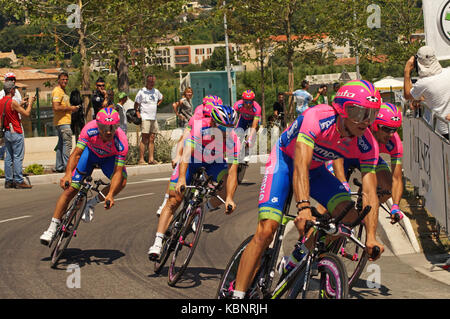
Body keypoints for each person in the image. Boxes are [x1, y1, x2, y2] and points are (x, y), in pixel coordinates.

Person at [231, 80, 384, 299]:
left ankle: (297, 257)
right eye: (359, 113)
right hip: (285, 161)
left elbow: (369, 190)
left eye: (372, 114)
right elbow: (300, 165)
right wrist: (303, 206)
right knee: (267, 229)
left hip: (316, 169)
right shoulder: (318, 117)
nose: (366, 122)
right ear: (342, 108)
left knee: (349, 217)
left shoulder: (367, 143)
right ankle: (237, 296)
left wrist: (371, 236)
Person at [148, 103, 240, 260]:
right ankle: (157, 241)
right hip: (191, 160)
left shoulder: (232, 139)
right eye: (224, 128)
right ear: (212, 122)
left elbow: (233, 172)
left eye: (231, 128)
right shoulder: (199, 127)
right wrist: (182, 178)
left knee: (225, 188)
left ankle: (200, 209)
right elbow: (186, 154)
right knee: (175, 199)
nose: (228, 132)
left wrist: (229, 197)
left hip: (214, 162)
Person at [40, 107, 128, 245]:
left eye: (112, 127)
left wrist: (110, 194)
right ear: (98, 126)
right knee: (71, 189)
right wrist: (68, 174)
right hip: (90, 155)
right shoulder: (89, 129)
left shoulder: (121, 141)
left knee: (122, 181)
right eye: (104, 128)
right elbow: (76, 154)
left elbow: (117, 172)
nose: (108, 131)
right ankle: (51, 228)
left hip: (108, 160)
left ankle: (91, 204)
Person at [328, 103, 404, 224]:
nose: (390, 134)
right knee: (330, 197)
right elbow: (337, 156)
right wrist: (342, 182)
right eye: (386, 129)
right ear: (374, 124)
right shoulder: (359, 128)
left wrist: (395, 206)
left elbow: (397, 178)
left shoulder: (395, 142)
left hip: (369, 158)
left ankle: (363, 212)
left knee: (387, 187)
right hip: (343, 156)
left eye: (394, 129)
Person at [155, 95, 222, 218]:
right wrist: (178, 155)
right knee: (179, 167)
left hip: (206, 147)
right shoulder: (197, 115)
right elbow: (184, 138)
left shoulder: (218, 119)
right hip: (193, 141)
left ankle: (196, 212)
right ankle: (165, 201)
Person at [404, 45, 450, 139]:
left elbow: (407, 95)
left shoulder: (422, 83)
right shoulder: (448, 72)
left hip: (442, 130)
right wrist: (420, 99)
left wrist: (407, 71)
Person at [0, 80, 35, 189]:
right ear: (11, 90)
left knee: (9, 157)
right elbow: (26, 113)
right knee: (18, 157)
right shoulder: (12, 102)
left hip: (6, 131)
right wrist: (30, 103)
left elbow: (9, 109)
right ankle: (19, 180)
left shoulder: (2, 101)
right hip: (16, 131)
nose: (15, 90)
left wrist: (21, 103)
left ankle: (9, 180)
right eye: (14, 89)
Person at [52, 71, 80, 173]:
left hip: (62, 122)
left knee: (61, 145)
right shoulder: (57, 91)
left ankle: (59, 166)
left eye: (66, 79)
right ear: (58, 80)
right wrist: (71, 108)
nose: (65, 81)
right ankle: (68, 167)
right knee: (67, 144)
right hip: (63, 123)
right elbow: (56, 106)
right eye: (63, 79)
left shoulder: (62, 91)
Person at [134, 74, 164, 165]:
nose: (152, 83)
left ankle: (151, 159)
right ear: (147, 82)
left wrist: (158, 104)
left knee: (152, 138)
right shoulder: (142, 91)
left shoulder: (156, 91)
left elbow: (161, 97)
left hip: (153, 118)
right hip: (145, 118)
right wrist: (137, 113)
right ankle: (141, 159)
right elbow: (136, 103)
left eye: (153, 82)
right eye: (150, 81)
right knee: (144, 138)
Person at [0, 72, 24, 160]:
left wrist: (22, 103)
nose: (13, 81)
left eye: (14, 79)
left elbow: (16, 106)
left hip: (17, 122)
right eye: (10, 79)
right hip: (8, 124)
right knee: (14, 153)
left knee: (12, 154)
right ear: (5, 81)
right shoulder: (2, 93)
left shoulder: (16, 91)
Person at [233, 90, 261, 161]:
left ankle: (247, 150)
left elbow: (254, 125)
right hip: (243, 119)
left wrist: (250, 138)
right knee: (237, 133)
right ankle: (237, 149)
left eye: (250, 101)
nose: (248, 104)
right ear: (243, 100)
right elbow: (232, 117)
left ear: (253, 101)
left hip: (253, 120)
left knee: (252, 133)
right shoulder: (238, 104)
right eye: (246, 101)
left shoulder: (257, 108)